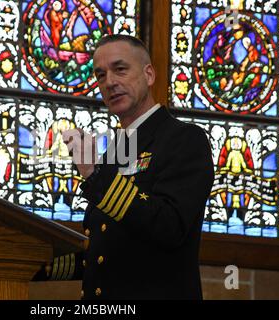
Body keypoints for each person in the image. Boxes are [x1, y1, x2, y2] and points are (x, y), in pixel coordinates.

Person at [33, 34, 215, 300]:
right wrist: (21, 258)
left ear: (149, 74)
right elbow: (104, 249)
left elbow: (168, 227)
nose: (110, 83)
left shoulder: (184, 139)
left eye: (120, 69)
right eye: (100, 75)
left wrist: (96, 175)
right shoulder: (118, 149)